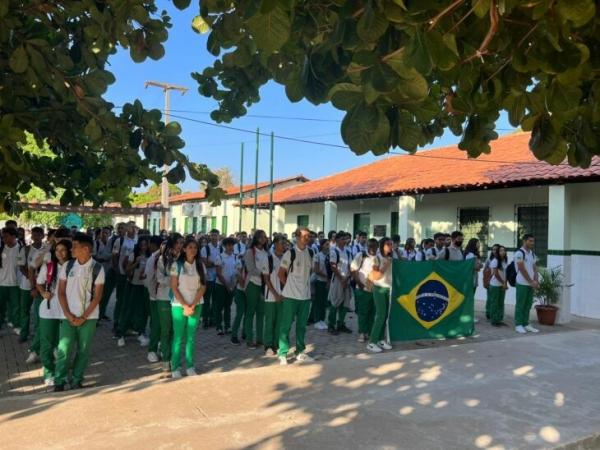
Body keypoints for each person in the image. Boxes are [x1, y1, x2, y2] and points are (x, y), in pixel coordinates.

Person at [55, 233, 105, 391]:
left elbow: (97, 297)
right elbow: (61, 292)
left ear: (86, 249)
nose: (72, 249)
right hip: (67, 315)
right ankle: (59, 381)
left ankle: (76, 379)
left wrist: (83, 317)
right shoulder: (68, 266)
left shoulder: (97, 268)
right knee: (64, 349)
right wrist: (69, 315)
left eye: (75, 246)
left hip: (88, 317)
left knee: (83, 350)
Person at [36, 239, 71, 386]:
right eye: (57, 250)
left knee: (65, 345)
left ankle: (62, 373)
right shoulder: (49, 266)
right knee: (47, 344)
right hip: (49, 310)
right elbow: (39, 283)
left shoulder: (74, 267)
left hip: (68, 310)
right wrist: (43, 293)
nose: (59, 253)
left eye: (63, 250)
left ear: (69, 251)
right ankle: (49, 373)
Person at [169, 237, 206, 378]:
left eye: (195, 247)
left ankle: (190, 366)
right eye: (190, 247)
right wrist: (185, 306)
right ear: (184, 249)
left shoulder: (200, 265)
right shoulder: (176, 265)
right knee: (178, 338)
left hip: (196, 305)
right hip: (179, 306)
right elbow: (174, 287)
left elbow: (202, 287)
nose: (193, 250)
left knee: (191, 338)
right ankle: (175, 367)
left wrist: (193, 304)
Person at [277, 227, 315, 365]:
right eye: (305, 236)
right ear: (297, 237)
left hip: (305, 296)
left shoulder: (311, 252)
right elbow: (281, 273)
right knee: (286, 325)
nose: (308, 238)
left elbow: (309, 272)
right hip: (291, 296)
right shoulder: (290, 253)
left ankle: (300, 352)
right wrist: (290, 286)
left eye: (309, 236)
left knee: (301, 326)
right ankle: (282, 353)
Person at [116, 236, 151, 347]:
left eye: (145, 244)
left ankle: (141, 332)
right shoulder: (133, 254)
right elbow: (127, 270)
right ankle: (121, 334)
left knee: (142, 311)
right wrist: (136, 262)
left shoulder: (149, 256)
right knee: (128, 309)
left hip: (144, 286)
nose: (143, 247)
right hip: (132, 286)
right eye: (142, 244)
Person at [155, 234, 183, 370]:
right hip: (164, 298)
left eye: (182, 243)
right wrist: (173, 281)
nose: (180, 246)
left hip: (179, 299)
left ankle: (174, 357)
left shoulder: (184, 259)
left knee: (176, 330)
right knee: (166, 329)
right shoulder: (162, 259)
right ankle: (166, 358)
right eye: (178, 243)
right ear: (172, 244)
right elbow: (160, 278)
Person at [367, 237, 394, 353]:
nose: (390, 246)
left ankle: (381, 339)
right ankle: (372, 342)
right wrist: (385, 267)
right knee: (380, 315)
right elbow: (375, 276)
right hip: (379, 289)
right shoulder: (377, 258)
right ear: (382, 246)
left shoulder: (390, 257)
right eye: (388, 244)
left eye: (391, 244)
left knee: (386, 316)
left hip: (388, 289)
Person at [18, 226, 44, 343]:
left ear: (43, 236)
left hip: (42, 287)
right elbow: (21, 266)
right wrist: (30, 276)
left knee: (39, 312)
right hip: (26, 285)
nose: (36, 237)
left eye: (39, 235)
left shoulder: (47, 250)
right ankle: (24, 333)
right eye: (34, 235)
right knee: (24, 311)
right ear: (31, 236)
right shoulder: (25, 249)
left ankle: (38, 334)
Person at [243, 230, 268, 349]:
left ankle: (260, 339)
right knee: (250, 312)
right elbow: (251, 268)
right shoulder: (250, 251)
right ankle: (249, 339)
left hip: (263, 285)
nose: (263, 239)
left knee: (261, 312)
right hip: (252, 283)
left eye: (265, 237)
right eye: (261, 237)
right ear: (256, 238)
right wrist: (264, 275)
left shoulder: (266, 252)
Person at [262, 235, 286, 355]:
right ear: (275, 244)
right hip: (271, 296)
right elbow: (266, 279)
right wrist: (276, 294)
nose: (284, 246)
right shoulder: (268, 259)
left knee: (280, 321)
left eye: (285, 243)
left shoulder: (286, 259)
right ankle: (268, 345)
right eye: (282, 243)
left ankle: (277, 343)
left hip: (283, 295)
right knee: (270, 320)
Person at [351, 238, 378, 343]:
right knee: (363, 312)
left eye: (374, 246)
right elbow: (353, 270)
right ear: (367, 246)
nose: (372, 248)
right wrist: (359, 283)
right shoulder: (361, 255)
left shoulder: (378, 257)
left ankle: (370, 332)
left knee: (373, 312)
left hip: (375, 290)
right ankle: (362, 332)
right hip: (362, 289)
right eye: (370, 246)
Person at [327, 232, 353, 335]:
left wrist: (347, 278)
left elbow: (351, 266)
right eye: (342, 239)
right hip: (337, 280)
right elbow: (333, 266)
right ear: (337, 240)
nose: (345, 241)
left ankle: (341, 324)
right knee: (335, 302)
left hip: (346, 279)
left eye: (345, 239)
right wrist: (342, 279)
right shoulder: (334, 252)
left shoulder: (347, 252)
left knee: (345, 303)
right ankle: (331, 325)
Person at [111, 223, 135, 333]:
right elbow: (115, 256)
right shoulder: (119, 241)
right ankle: (117, 322)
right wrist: (117, 271)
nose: (132, 230)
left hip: (131, 275)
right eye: (130, 227)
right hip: (121, 274)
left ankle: (127, 323)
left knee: (128, 300)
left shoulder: (135, 241)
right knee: (120, 299)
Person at [514, 234, 539, 334]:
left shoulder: (532, 253)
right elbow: (521, 268)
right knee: (521, 304)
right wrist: (531, 281)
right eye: (530, 241)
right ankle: (518, 324)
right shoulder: (519, 253)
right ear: (524, 241)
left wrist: (536, 281)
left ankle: (525, 323)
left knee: (528, 304)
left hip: (531, 284)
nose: (532, 243)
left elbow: (534, 268)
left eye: (533, 241)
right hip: (522, 283)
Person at [144, 236, 164, 363]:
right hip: (156, 297)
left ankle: (162, 346)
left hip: (167, 298)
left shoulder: (170, 257)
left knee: (165, 325)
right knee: (156, 324)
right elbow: (148, 279)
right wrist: (154, 294)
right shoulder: (153, 258)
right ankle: (152, 350)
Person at [214, 237, 238, 335]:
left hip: (231, 286)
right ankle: (219, 326)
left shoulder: (235, 257)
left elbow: (237, 271)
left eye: (232, 245)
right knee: (219, 307)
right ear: (224, 246)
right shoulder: (219, 257)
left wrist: (233, 284)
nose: (230, 247)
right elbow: (219, 273)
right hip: (221, 285)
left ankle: (227, 326)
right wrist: (227, 285)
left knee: (228, 306)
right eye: (228, 245)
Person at [0, 227, 21, 333]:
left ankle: (16, 325)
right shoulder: (1, 248)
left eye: (6, 236)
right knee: (0, 306)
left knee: (16, 307)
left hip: (16, 284)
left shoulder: (21, 249)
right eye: (3, 236)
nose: (3, 238)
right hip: (1, 284)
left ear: (13, 236)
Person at [200, 228, 221, 329]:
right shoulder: (205, 249)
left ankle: (213, 319)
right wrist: (215, 264)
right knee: (207, 300)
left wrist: (215, 264)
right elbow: (204, 262)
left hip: (218, 278)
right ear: (210, 236)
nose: (214, 237)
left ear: (218, 236)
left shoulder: (221, 248)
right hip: (208, 278)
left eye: (216, 235)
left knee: (216, 300)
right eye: (212, 235)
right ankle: (205, 319)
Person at [93, 227, 113, 320]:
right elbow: (93, 257)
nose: (105, 235)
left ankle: (102, 313)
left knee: (105, 294)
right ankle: (94, 314)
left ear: (110, 234)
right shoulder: (96, 243)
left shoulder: (111, 244)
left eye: (107, 233)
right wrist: (104, 259)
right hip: (97, 272)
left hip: (108, 272)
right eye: (103, 233)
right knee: (96, 294)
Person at [311, 239, 330, 330]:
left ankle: (322, 319)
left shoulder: (330, 256)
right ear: (322, 246)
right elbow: (316, 269)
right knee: (318, 301)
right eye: (326, 245)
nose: (328, 246)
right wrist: (327, 276)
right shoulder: (317, 255)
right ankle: (317, 320)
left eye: (328, 245)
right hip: (319, 281)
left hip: (327, 282)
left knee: (324, 302)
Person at [230, 252, 248, 346]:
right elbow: (239, 277)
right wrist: (245, 289)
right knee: (240, 313)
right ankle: (234, 335)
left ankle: (245, 333)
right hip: (240, 292)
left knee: (247, 313)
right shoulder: (240, 263)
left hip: (248, 292)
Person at [488, 246, 508, 327]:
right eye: (500, 250)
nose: (502, 252)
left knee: (501, 302)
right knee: (495, 303)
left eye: (504, 250)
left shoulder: (505, 261)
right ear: (497, 252)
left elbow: (505, 273)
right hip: (495, 285)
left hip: (502, 284)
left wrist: (505, 283)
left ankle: (499, 319)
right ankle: (494, 320)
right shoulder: (495, 261)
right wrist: (503, 282)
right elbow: (495, 274)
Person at [483, 244, 500, 320]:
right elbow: (485, 270)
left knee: (497, 299)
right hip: (490, 281)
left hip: (499, 282)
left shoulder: (501, 259)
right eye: (493, 249)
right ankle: (488, 312)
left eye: (496, 249)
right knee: (490, 298)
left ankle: (496, 313)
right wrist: (486, 280)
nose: (494, 251)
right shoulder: (489, 259)